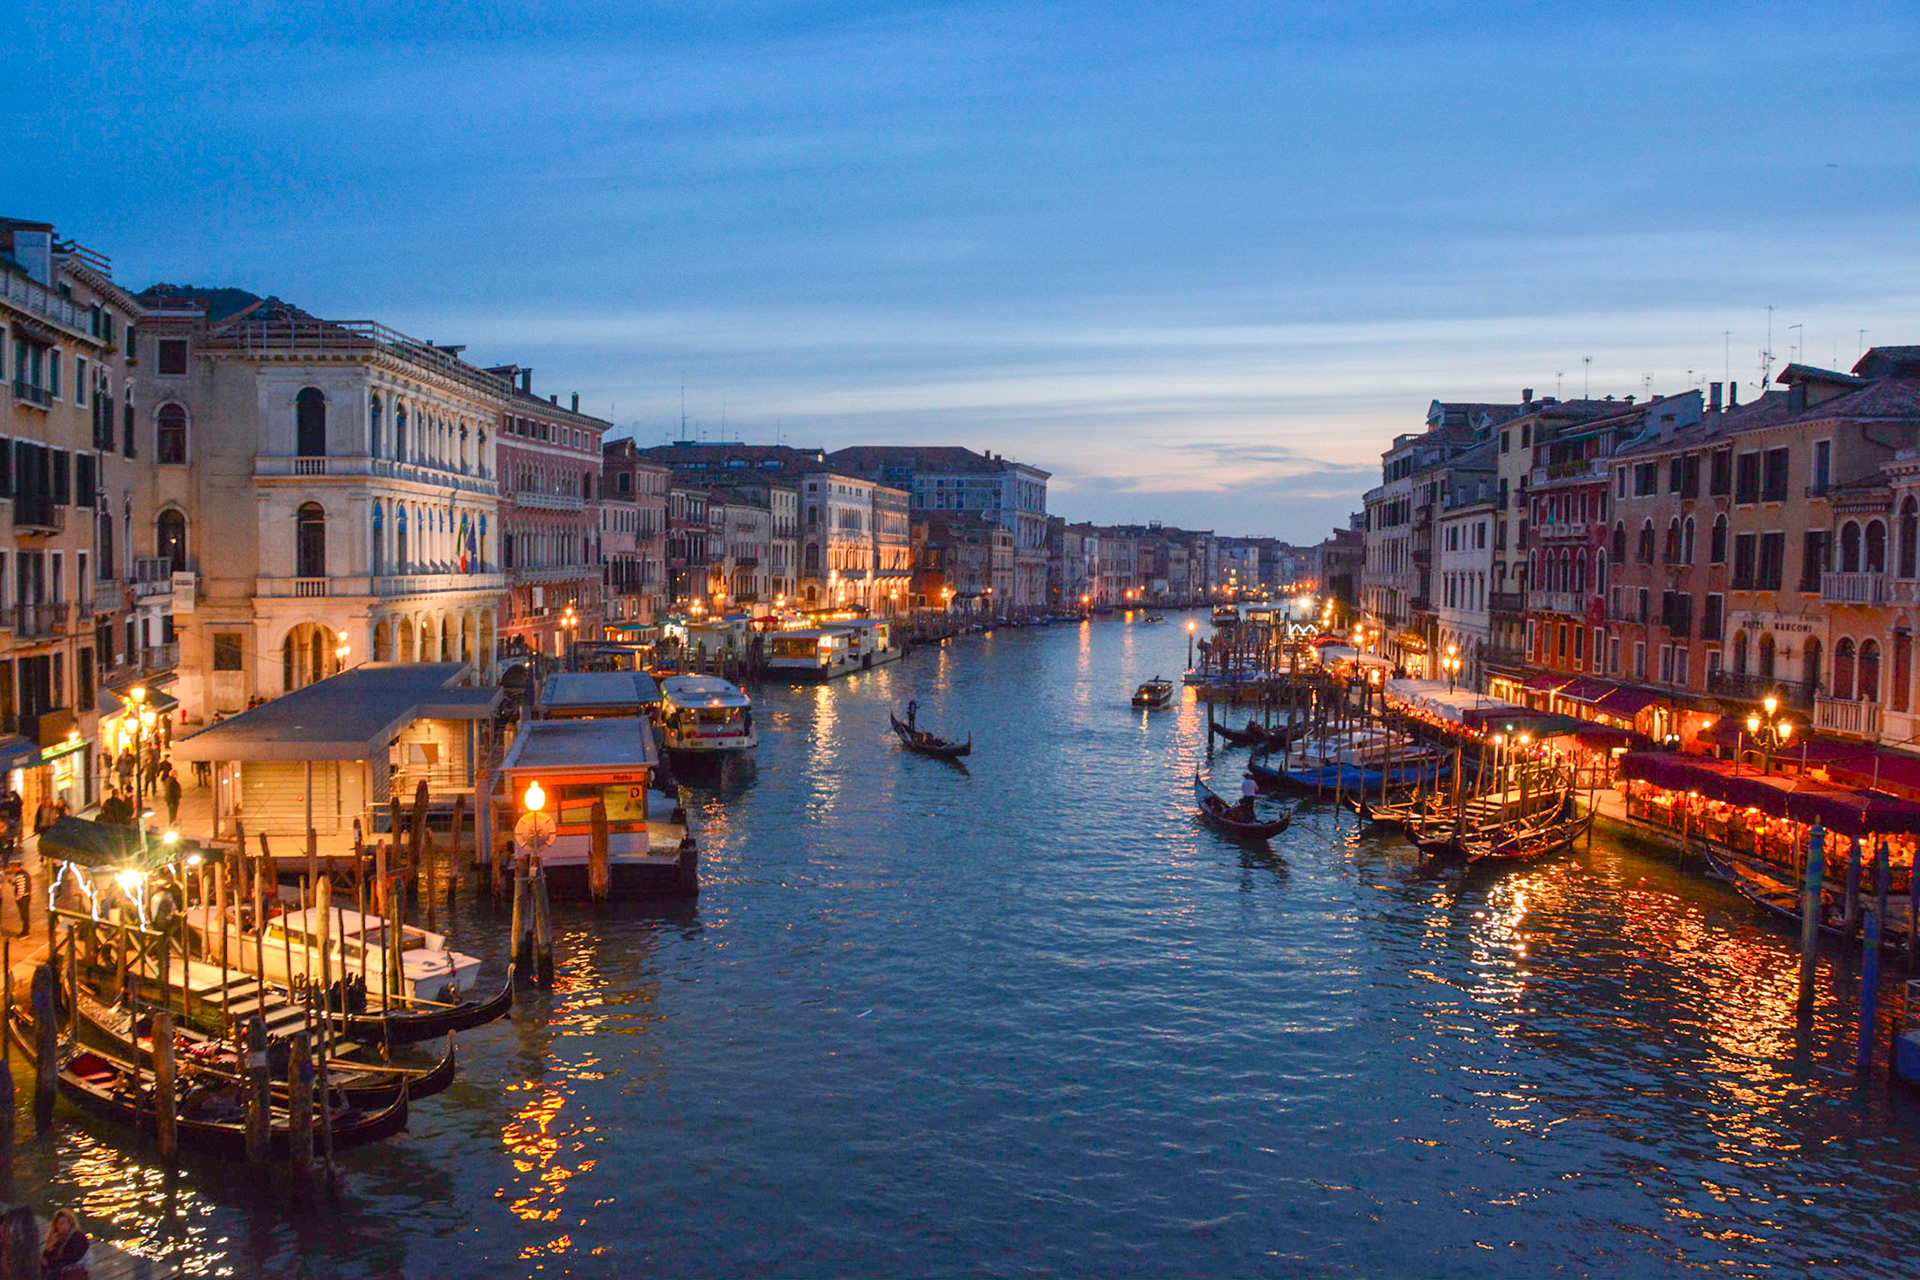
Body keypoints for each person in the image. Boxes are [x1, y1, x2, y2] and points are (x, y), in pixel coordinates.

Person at [40, 1207, 89, 1279]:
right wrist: (52, 1246)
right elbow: (47, 1254)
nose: (62, 1226)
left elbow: (72, 1257)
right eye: (59, 1224)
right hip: (61, 1264)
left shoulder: (78, 1237)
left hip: (76, 1266)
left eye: (63, 1223)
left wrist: (51, 1263)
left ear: (70, 1222)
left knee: (53, 1273)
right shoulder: (58, 1237)